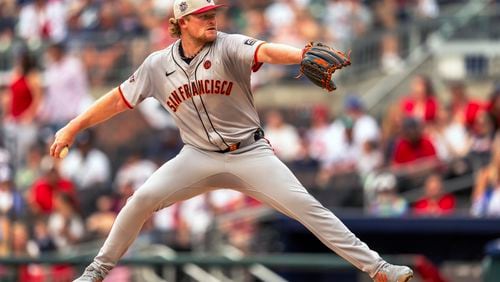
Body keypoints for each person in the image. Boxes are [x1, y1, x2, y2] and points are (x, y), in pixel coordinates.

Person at [50, 0, 413, 281]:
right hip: (197, 156)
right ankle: (97, 271)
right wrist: (72, 127)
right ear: (182, 23)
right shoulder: (156, 65)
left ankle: (378, 267)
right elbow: (117, 99)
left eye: (213, 13)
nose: (212, 19)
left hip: (250, 153)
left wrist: (300, 55)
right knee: (141, 199)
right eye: (203, 15)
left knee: (308, 208)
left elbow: (266, 51)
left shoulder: (228, 45)